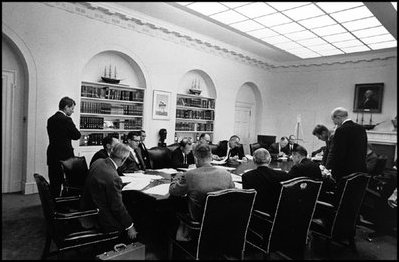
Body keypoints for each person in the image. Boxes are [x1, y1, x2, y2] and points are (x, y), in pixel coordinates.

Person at [169, 143, 234, 239]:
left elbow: (173, 191)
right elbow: (232, 193)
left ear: (195, 158)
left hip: (198, 219)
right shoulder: (226, 174)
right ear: (211, 157)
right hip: (221, 218)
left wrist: (177, 177)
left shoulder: (190, 175)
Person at [80, 143, 138, 241]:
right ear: (123, 159)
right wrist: (130, 226)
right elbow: (117, 207)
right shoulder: (114, 178)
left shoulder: (98, 162)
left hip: (87, 207)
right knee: (134, 216)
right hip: (100, 218)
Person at [47, 96, 81, 197]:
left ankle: (54, 204)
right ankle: (67, 202)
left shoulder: (50, 119)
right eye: (72, 108)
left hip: (52, 153)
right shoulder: (67, 120)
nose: (73, 111)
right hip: (66, 155)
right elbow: (77, 135)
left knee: (54, 181)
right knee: (71, 181)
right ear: (66, 107)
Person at [242, 148, 291, 215]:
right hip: (278, 213)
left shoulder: (247, 176)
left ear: (254, 161)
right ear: (270, 160)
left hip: (257, 214)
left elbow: (247, 200)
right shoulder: (283, 175)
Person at [325, 107, 367, 181]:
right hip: (360, 170)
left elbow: (337, 153)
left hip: (344, 172)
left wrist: (331, 170)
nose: (335, 124)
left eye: (333, 120)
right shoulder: (361, 128)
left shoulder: (341, 130)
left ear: (338, 117)